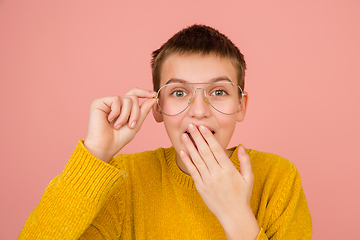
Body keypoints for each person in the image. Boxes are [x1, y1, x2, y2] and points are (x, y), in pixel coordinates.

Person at [18, 24, 312, 240]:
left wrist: (235, 214)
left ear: (241, 106)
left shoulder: (279, 179)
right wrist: (96, 152)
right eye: (180, 92)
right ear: (157, 107)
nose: (199, 110)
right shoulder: (125, 180)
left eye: (219, 91)